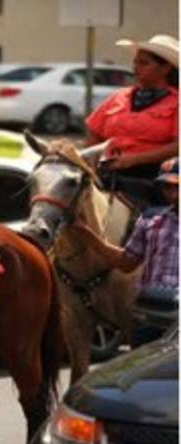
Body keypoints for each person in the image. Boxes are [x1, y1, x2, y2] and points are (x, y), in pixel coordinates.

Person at [71, 158, 178, 347]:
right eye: (167, 187)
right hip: (151, 312)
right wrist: (87, 236)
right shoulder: (152, 220)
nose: (173, 193)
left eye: (177, 187)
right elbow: (126, 263)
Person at [85, 35, 178, 208]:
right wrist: (93, 161)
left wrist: (134, 159)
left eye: (144, 63)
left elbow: (177, 145)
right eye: (136, 62)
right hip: (110, 170)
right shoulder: (119, 97)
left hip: (154, 176)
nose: (135, 67)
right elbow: (94, 129)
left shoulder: (177, 102)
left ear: (165, 69)